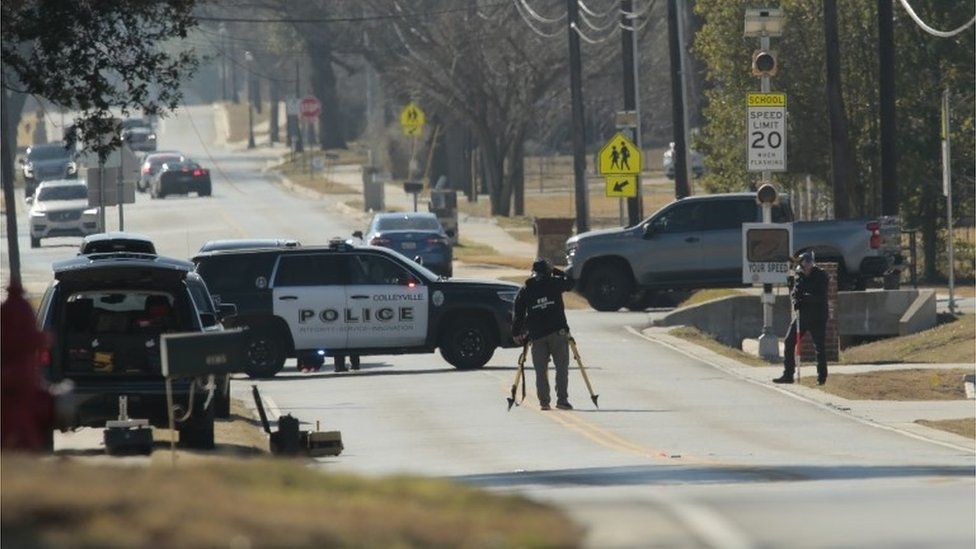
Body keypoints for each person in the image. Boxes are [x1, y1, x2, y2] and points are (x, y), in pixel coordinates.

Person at [512, 258, 576, 410]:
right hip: (557, 332)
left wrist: (516, 333)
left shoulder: (526, 289)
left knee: (540, 371)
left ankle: (544, 403)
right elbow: (571, 282)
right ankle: (562, 400)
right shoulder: (554, 283)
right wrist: (556, 271)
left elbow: (518, 313)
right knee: (561, 368)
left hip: (537, 335)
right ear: (548, 271)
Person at [774, 252, 829, 385]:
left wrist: (804, 298)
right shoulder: (800, 276)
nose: (807, 265)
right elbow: (796, 293)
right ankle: (788, 374)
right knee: (789, 341)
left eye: (809, 262)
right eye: (805, 262)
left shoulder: (821, 276)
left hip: (818, 316)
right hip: (803, 316)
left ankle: (821, 378)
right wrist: (795, 299)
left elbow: (820, 296)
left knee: (819, 347)